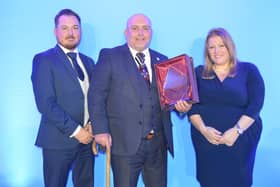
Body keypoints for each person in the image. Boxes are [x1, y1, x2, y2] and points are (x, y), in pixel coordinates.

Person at [88, 13, 191, 187]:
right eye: (135, 29)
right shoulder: (110, 56)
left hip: (158, 145)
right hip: (124, 143)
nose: (140, 33)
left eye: (145, 28)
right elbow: (96, 95)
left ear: (151, 33)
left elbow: (168, 101)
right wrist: (100, 130)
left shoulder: (163, 61)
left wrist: (180, 107)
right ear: (125, 32)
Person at [187, 27, 265, 187]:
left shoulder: (249, 70)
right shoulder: (197, 73)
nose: (217, 51)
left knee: (239, 181)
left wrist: (237, 130)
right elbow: (192, 108)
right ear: (207, 51)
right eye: (212, 47)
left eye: (221, 45)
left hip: (242, 139)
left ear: (230, 46)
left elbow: (256, 104)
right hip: (207, 140)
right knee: (210, 181)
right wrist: (204, 130)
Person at [31, 9, 95, 187]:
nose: (71, 33)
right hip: (57, 143)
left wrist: (92, 124)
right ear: (55, 31)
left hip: (87, 142)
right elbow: (45, 104)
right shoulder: (44, 60)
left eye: (75, 28)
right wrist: (77, 131)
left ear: (80, 31)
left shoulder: (89, 62)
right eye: (65, 28)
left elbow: (95, 99)